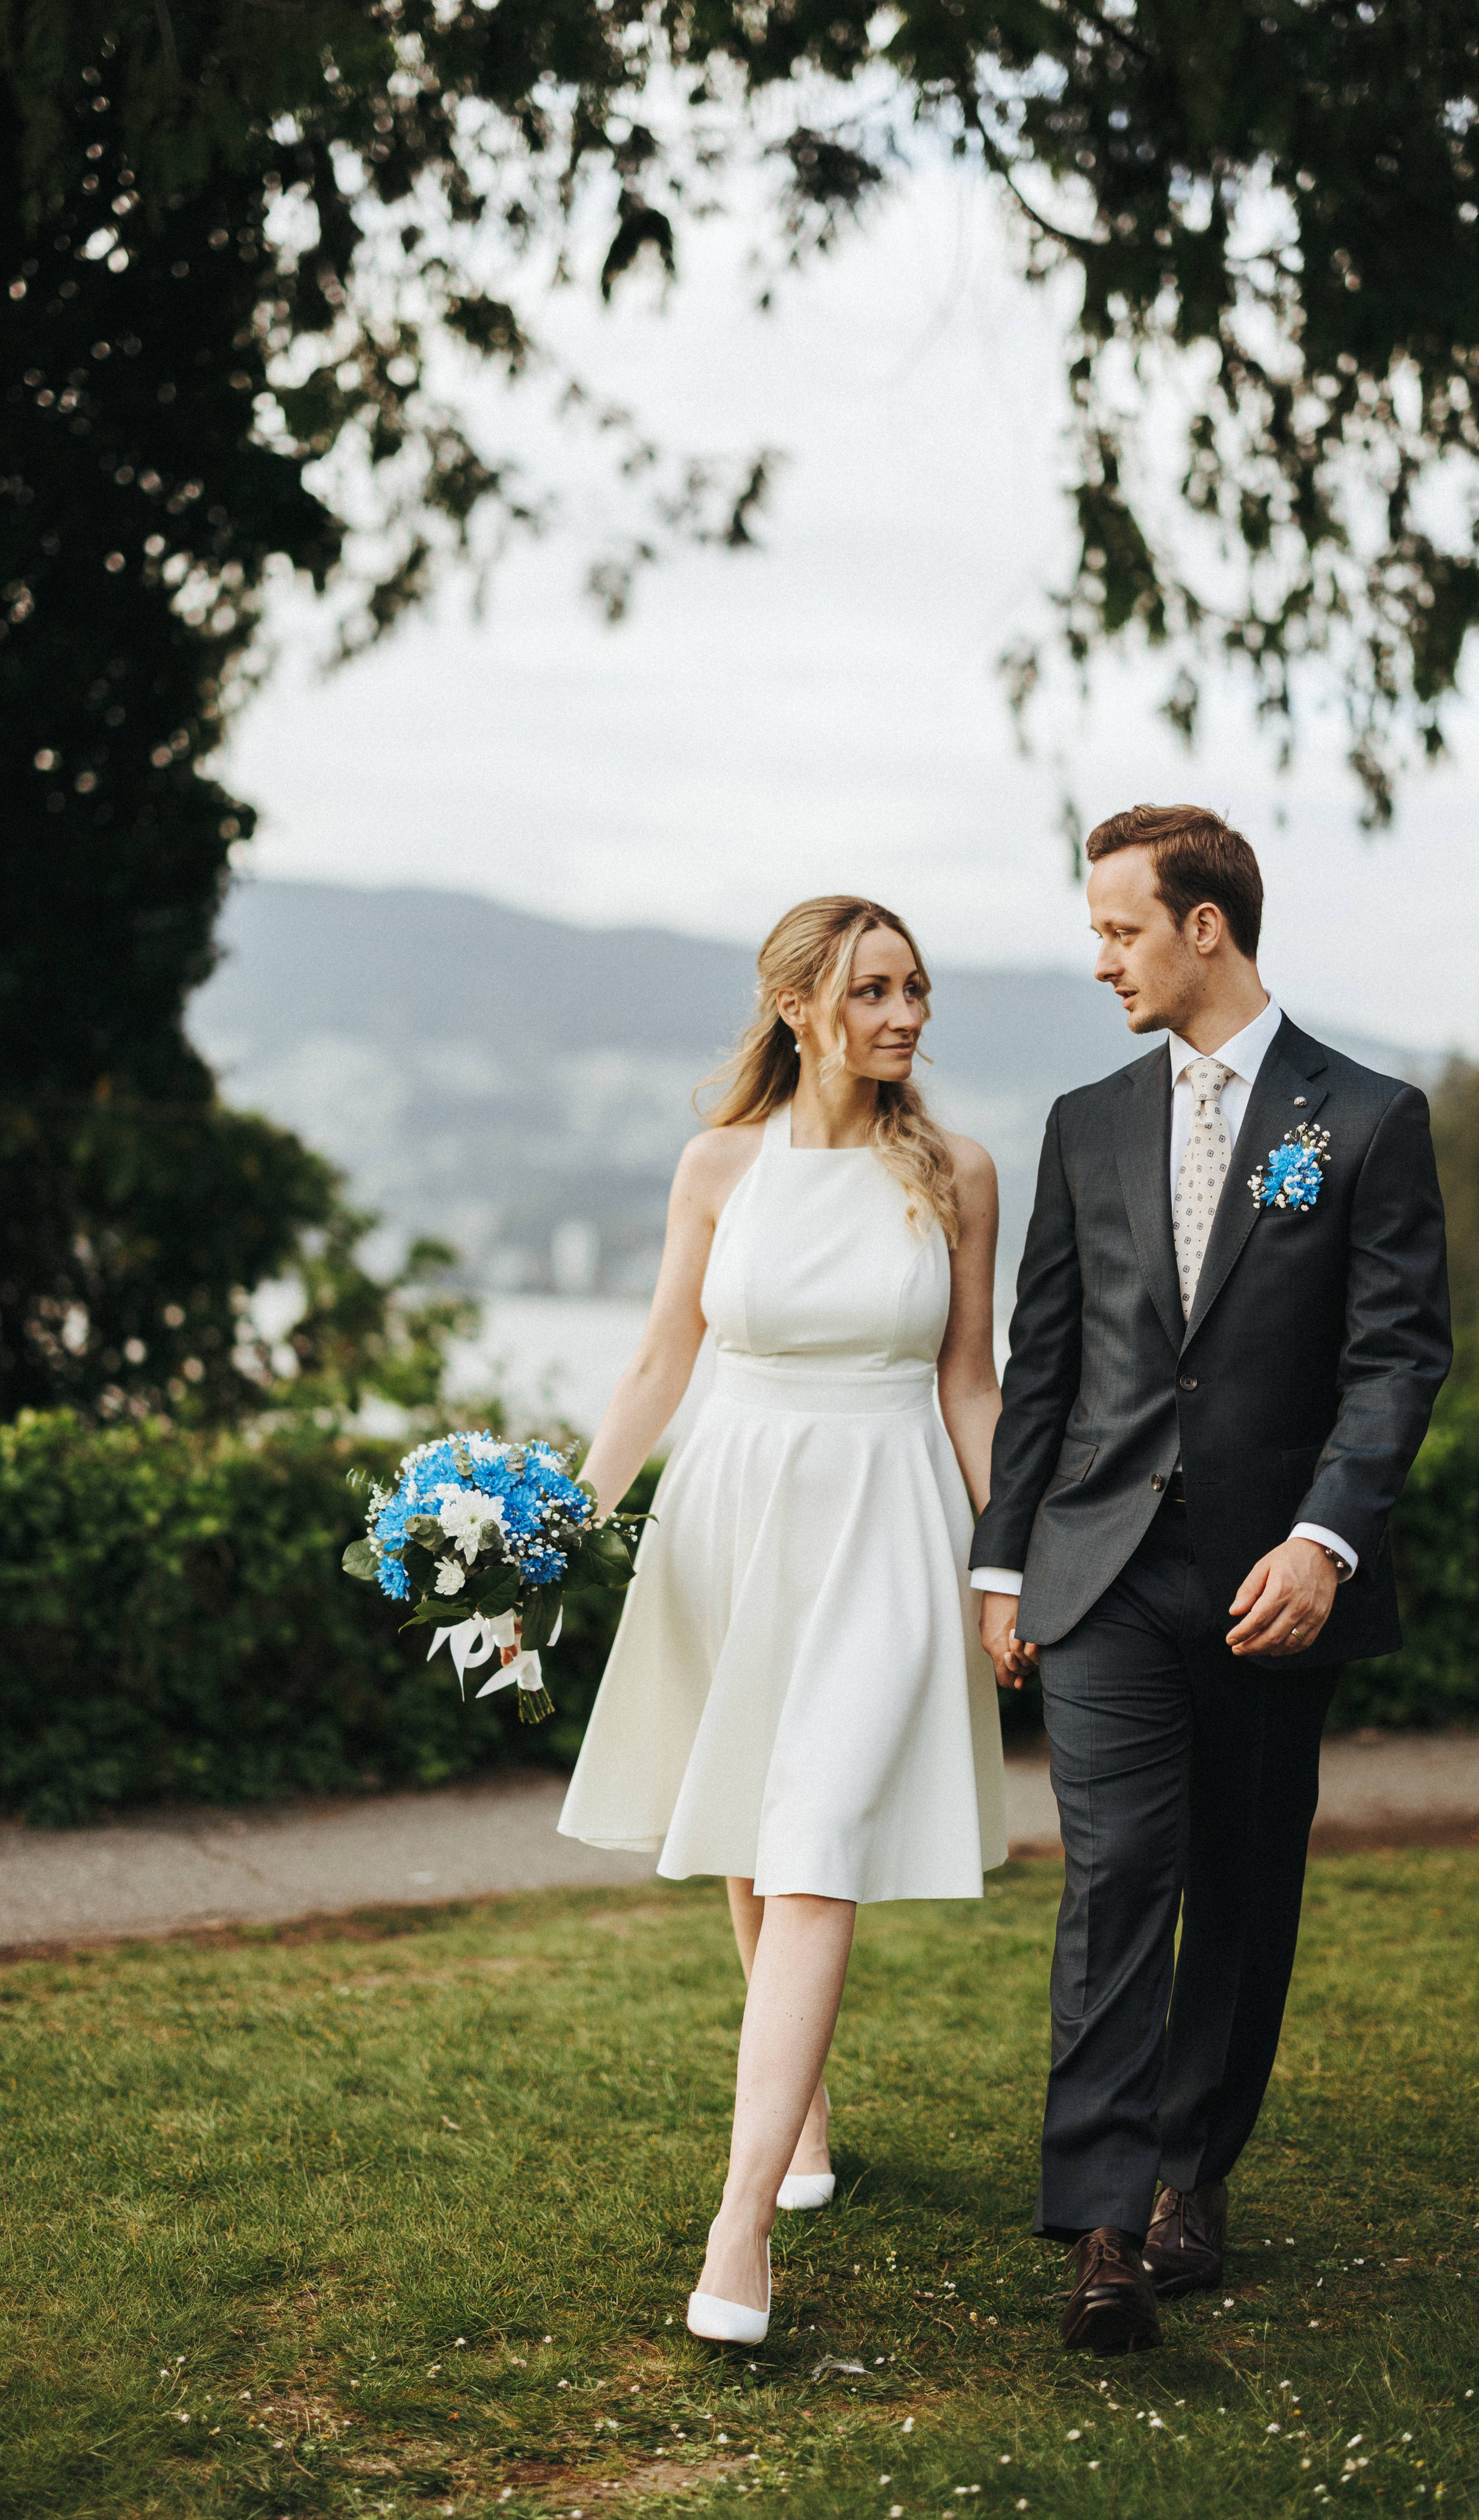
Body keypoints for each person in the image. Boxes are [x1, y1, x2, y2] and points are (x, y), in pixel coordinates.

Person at [972, 803, 1450, 2354]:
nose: (1096, 954)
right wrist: (1001, 1560)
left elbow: (1392, 1363)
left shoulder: (1365, 1118)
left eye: (1117, 926)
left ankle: (1192, 2173)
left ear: (1203, 926)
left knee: (1243, 1877)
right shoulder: (1083, 1118)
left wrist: (1323, 1538)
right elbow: (1038, 1362)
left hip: (1270, 1577)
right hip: (1099, 1565)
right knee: (1115, 1879)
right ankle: (1103, 2220)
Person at [559, 894, 1007, 2343]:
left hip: (886, 1518)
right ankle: (799, 2107)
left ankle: (736, 2223)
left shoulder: (955, 1171)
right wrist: (557, 1519)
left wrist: (1012, 1558)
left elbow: (970, 1386)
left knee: (813, 1846)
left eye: (916, 990)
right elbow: (654, 1359)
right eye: (873, 990)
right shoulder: (717, 1165)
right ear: (799, 1005)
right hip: (728, 1505)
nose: (905, 1015)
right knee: (752, 1834)